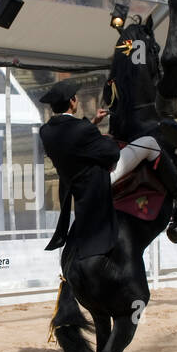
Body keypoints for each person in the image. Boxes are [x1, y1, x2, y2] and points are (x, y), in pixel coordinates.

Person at [38, 79, 121, 265]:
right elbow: (112, 153)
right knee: (150, 146)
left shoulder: (46, 132)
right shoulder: (82, 130)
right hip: (95, 183)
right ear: (73, 101)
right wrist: (103, 137)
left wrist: (92, 124)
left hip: (72, 184)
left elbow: (72, 141)